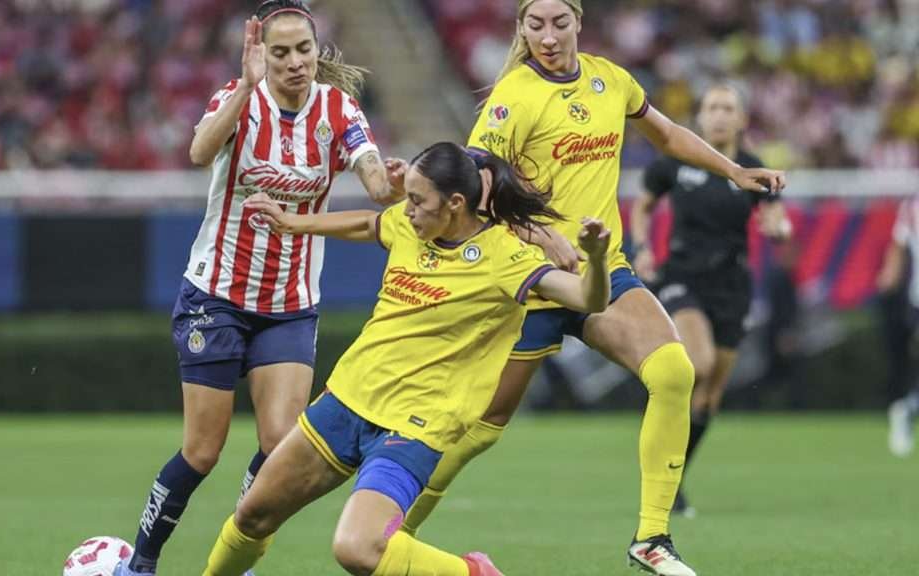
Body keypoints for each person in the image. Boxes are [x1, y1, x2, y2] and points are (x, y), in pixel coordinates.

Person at [398, 2, 786, 574]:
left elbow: (669, 134)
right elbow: (478, 191)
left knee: (674, 371)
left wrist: (733, 171)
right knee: (479, 429)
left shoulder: (612, 80)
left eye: (559, 23)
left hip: (603, 273)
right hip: (531, 282)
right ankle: (390, 534)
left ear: (579, 22)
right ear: (521, 28)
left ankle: (651, 537)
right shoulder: (514, 96)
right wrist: (538, 234)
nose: (548, 36)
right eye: (535, 25)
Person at [200, 141, 611, 576]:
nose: (407, 208)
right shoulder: (410, 226)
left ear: (455, 204)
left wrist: (598, 259)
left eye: (417, 200)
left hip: (415, 425)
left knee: (357, 549)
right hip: (348, 399)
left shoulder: (504, 258)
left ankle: (474, 573)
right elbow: (366, 222)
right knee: (252, 515)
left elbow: (589, 297)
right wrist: (291, 222)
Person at [115, 2, 403, 574]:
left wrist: (390, 181)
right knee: (201, 452)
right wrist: (247, 87)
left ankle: (237, 557)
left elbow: (375, 182)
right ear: (261, 55)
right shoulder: (238, 100)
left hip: (289, 306)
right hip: (216, 298)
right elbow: (198, 153)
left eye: (303, 50)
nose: (295, 62)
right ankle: (141, 562)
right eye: (280, 52)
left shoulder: (338, 108)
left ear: (318, 51)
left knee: (279, 448)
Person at [629, 84, 793, 515]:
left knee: (709, 395)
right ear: (700, 117)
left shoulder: (753, 168)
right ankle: (657, 450)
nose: (719, 116)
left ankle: (674, 476)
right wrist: (643, 246)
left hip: (731, 285)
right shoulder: (676, 161)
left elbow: (775, 216)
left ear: (741, 119)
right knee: (696, 364)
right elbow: (642, 207)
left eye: (728, 109)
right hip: (682, 276)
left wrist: (780, 228)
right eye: (712, 108)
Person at [877, 193, 919, 457]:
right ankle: (906, 411)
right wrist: (889, 274)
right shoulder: (913, 206)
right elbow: (899, 243)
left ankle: (907, 409)